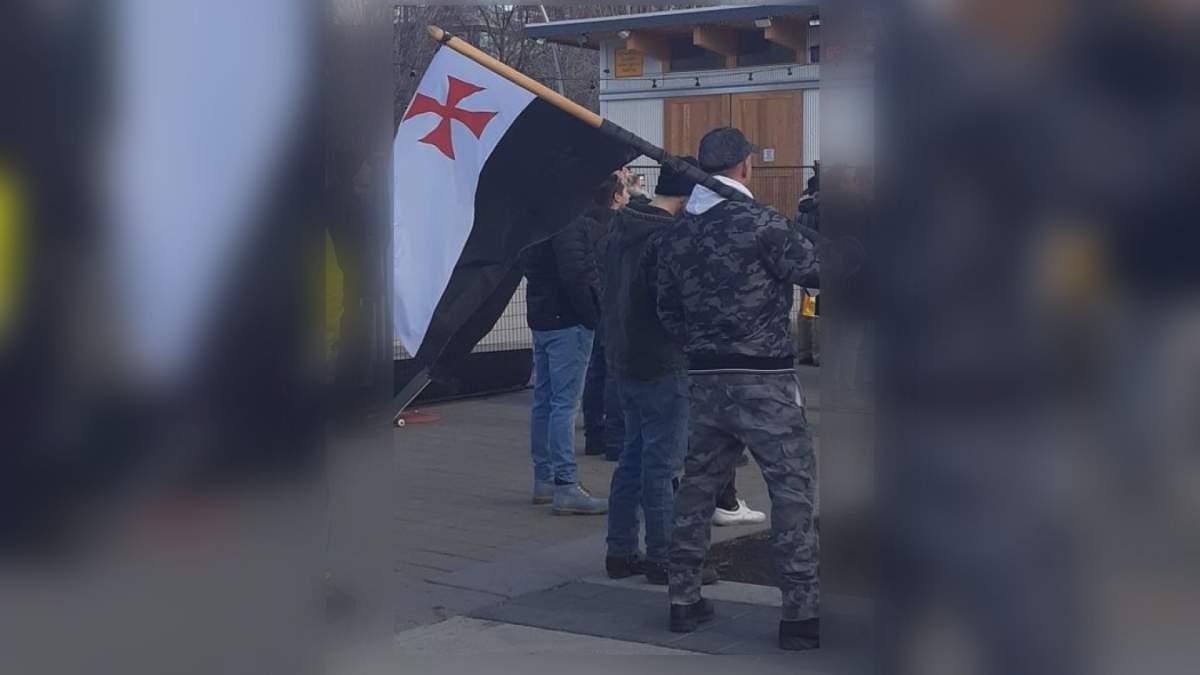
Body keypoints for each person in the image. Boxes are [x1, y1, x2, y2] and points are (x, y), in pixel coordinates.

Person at [657, 127, 821, 650]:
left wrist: (702, 347)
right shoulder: (764, 224)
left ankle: (683, 599)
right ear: (745, 166)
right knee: (791, 491)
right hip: (766, 380)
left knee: (697, 491)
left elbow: (666, 311)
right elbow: (818, 271)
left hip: (706, 380)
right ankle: (799, 613)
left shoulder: (678, 234)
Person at [601, 157, 719, 585]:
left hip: (624, 356)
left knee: (633, 455)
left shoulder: (621, 225)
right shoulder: (668, 238)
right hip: (663, 360)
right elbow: (680, 304)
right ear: (689, 197)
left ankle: (620, 550)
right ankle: (665, 556)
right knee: (662, 464)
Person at [521, 174, 627, 515]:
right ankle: (566, 484)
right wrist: (593, 314)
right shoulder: (569, 221)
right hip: (568, 320)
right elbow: (577, 272)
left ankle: (544, 479)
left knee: (544, 400)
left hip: (543, 316)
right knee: (564, 404)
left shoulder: (536, 220)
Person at [795, 173, 821, 366]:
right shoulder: (821, 209)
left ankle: (804, 351)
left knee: (807, 308)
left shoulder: (801, 208)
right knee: (820, 311)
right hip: (820, 263)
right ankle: (819, 354)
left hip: (804, 262)